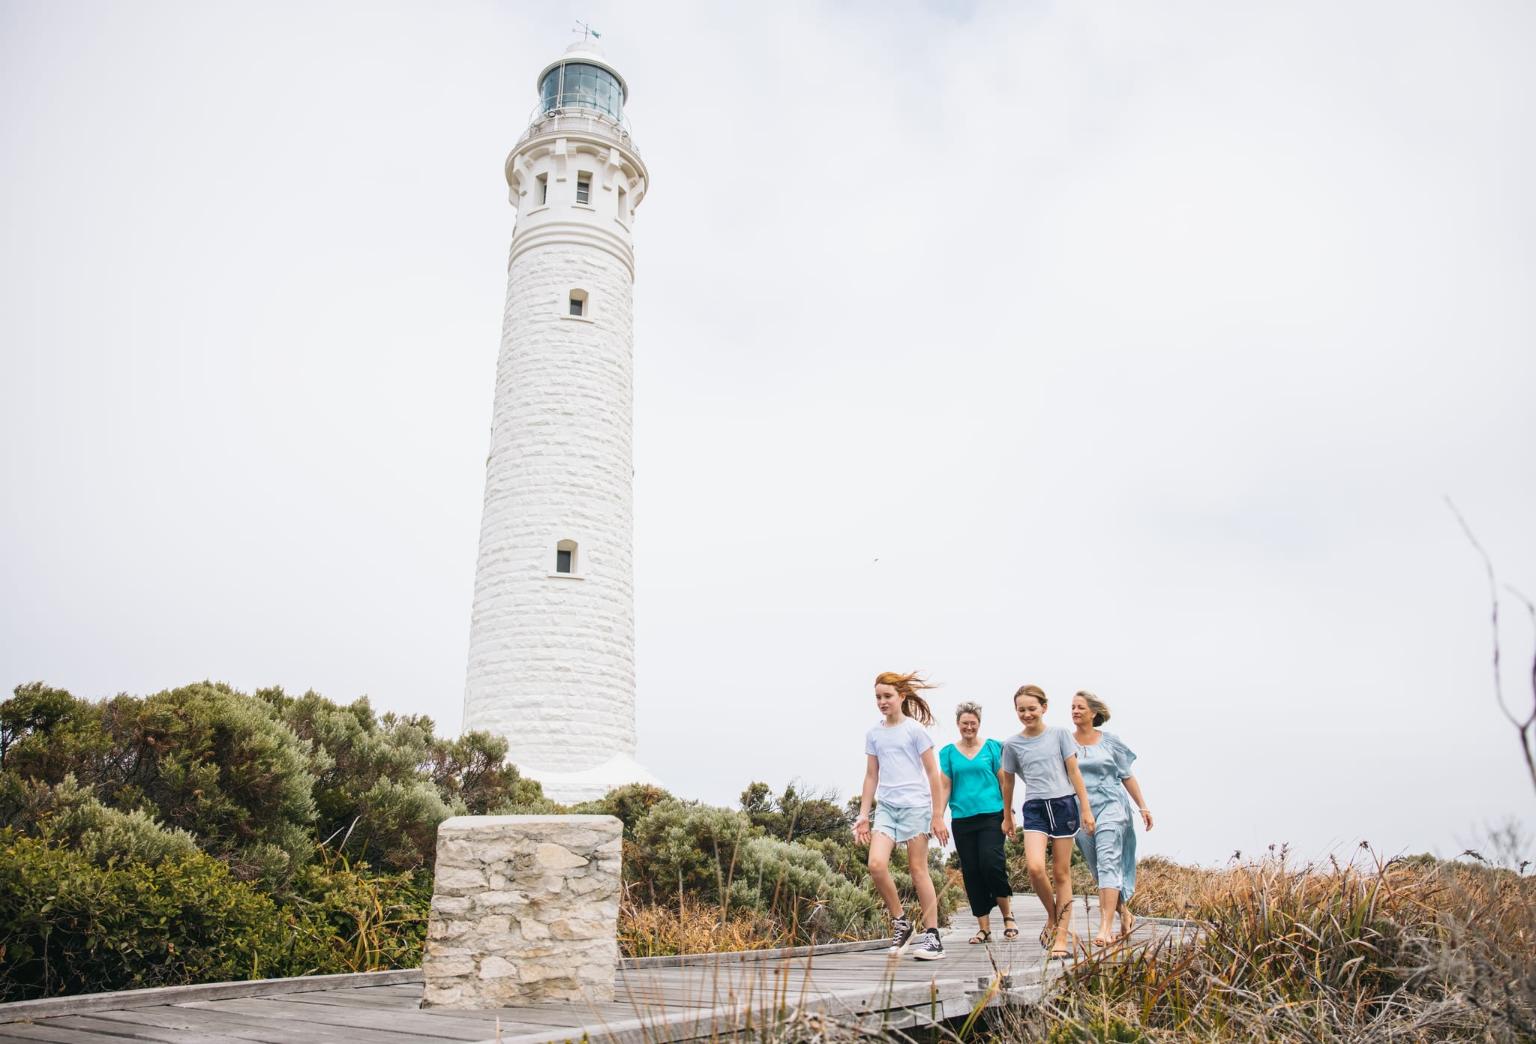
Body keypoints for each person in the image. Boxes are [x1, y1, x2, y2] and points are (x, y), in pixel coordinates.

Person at [854, 671, 951, 961]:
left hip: (916, 807)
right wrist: (863, 815)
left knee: (917, 869)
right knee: (876, 864)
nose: (882, 702)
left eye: (887, 696)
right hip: (887, 807)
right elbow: (872, 776)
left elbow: (933, 773)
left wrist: (937, 815)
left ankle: (933, 936)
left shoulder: (915, 731)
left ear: (902, 697)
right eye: (878, 697)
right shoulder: (874, 734)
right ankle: (902, 923)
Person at [1001, 684, 1095, 958]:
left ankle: (1062, 938)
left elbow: (1074, 773)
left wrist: (1086, 809)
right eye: (1021, 710)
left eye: (1032, 708)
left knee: (1061, 873)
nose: (1027, 714)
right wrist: (1007, 816)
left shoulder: (1060, 735)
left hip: (1064, 803)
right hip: (1034, 807)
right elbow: (1007, 783)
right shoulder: (1012, 744)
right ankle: (1053, 918)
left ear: (1044, 707)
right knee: (1034, 868)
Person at [1070, 690, 1154, 946]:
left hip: (1112, 806)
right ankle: (1125, 914)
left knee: (1108, 861)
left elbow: (1127, 775)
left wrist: (1143, 807)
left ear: (1093, 713)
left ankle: (1105, 928)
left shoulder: (1110, 742)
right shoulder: (1065, 742)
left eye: (1080, 707)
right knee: (1098, 868)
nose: (1074, 711)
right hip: (1081, 810)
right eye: (1072, 707)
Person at [938, 701, 1017, 944]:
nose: (969, 727)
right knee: (971, 871)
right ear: (958, 724)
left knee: (991, 863)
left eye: (973, 723)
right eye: (964, 723)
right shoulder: (948, 753)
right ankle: (984, 928)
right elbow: (945, 786)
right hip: (962, 818)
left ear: (979, 724)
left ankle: (1008, 916)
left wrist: (1008, 813)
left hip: (992, 815)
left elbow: (1005, 781)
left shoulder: (994, 748)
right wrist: (937, 817)